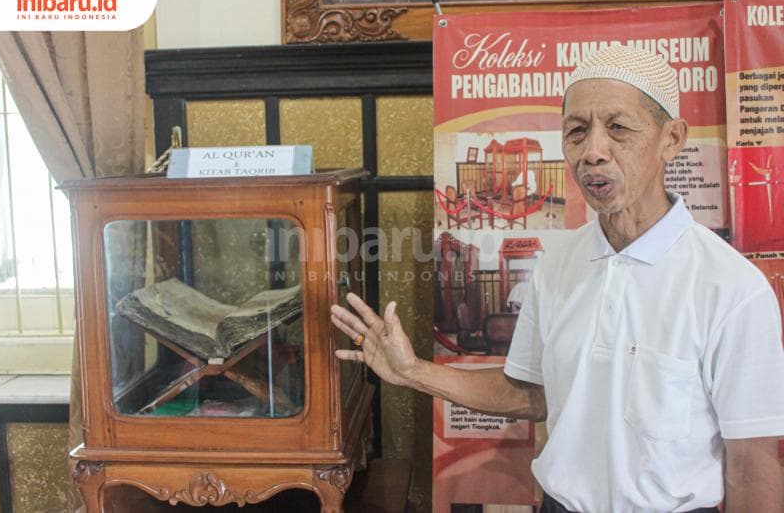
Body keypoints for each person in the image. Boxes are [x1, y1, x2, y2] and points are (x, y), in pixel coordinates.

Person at [330, 45, 784, 512]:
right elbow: (533, 391)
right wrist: (413, 372)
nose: (593, 153)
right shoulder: (559, 263)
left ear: (672, 139)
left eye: (619, 128)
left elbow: (753, 467)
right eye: (577, 132)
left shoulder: (730, 288)